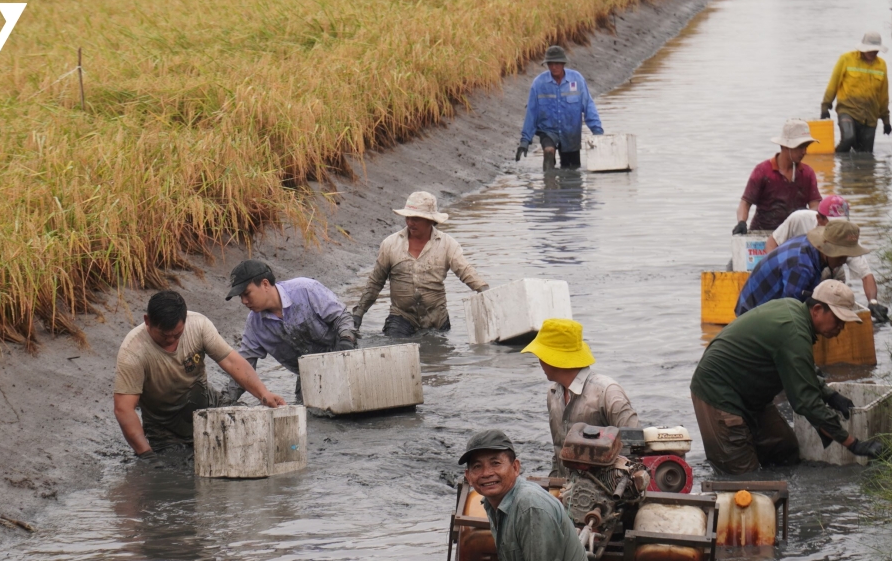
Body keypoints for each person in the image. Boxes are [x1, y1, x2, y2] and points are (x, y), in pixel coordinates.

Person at [691, 281, 886, 474]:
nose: (841, 328)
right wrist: (854, 444)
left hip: (749, 393)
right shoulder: (793, 331)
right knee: (744, 478)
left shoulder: (795, 312)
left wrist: (830, 396)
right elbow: (806, 403)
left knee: (784, 450)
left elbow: (800, 372)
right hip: (717, 393)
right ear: (817, 309)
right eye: (838, 320)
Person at [459, 429, 616, 561]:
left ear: (516, 467)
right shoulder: (493, 505)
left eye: (495, 463)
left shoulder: (530, 506)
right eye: (477, 467)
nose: (486, 473)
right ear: (468, 476)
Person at [113, 290, 286, 457]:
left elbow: (233, 362)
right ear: (147, 321)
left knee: (255, 438)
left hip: (207, 404)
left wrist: (263, 393)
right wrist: (146, 453)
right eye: (164, 336)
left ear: (185, 320)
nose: (171, 341)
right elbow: (124, 409)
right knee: (170, 469)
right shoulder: (133, 352)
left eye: (177, 335)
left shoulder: (198, 325)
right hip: (164, 427)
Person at [352, 191, 488, 337]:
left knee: (438, 354)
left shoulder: (447, 244)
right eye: (408, 217)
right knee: (395, 346)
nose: (410, 223)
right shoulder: (390, 244)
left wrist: (486, 293)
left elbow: (466, 272)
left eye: (416, 218)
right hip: (401, 317)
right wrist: (358, 314)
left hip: (436, 318)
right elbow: (376, 282)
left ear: (430, 220)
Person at [220, 260, 357, 403]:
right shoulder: (254, 325)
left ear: (265, 284)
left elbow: (342, 317)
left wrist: (346, 343)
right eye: (240, 297)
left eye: (246, 294)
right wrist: (226, 400)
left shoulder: (305, 289)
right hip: (308, 377)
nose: (244, 301)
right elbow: (244, 367)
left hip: (343, 360)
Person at [520, 318, 639, 475]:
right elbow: (559, 451)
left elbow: (636, 447)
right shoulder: (553, 394)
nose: (539, 361)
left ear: (552, 358)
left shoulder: (608, 393)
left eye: (541, 355)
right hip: (568, 490)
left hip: (606, 489)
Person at [766, 195, 889, 323]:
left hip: (829, 271)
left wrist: (873, 302)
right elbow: (772, 243)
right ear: (819, 218)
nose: (838, 228)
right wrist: (775, 273)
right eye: (833, 223)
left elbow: (866, 275)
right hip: (795, 268)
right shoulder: (799, 219)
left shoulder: (844, 235)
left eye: (842, 223)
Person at [735, 220, 870, 316]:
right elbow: (791, 311)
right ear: (827, 248)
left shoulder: (811, 249)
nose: (844, 260)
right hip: (751, 313)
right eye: (841, 255)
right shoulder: (802, 265)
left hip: (767, 303)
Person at [515, 45, 604, 172]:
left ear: (563, 63)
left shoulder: (577, 79)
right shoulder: (539, 83)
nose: (554, 67)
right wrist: (525, 140)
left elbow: (588, 106)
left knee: (572, 170)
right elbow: (532, 113)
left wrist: (597, 132)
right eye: (550, 63)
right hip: (548, 131)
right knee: (548, 152)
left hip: (571, 133)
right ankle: (549, 185)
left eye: (557, 63)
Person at [733, 119, 822, 235]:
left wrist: (811, 219)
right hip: (762, 234)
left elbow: (815, 205)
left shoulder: (807, 173)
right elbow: (745, 203)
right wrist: (741, 222)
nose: (804, 151)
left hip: (795, 235)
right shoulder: (763, 171)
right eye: (800, 147)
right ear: (785, 146)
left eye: (806, 146)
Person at [821, 32, 891, 153]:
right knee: (848, 139)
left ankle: (856, 171)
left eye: (876, 50)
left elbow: (883, 95)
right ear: (863, 48)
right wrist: (825, 106)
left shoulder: (881, 65)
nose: (873, 53)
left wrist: (886, 121)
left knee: (866, 155)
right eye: (871, 50)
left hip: (870, 117)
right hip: (847, 110)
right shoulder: (846, 59)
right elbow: (833, 84)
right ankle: (834, 161)